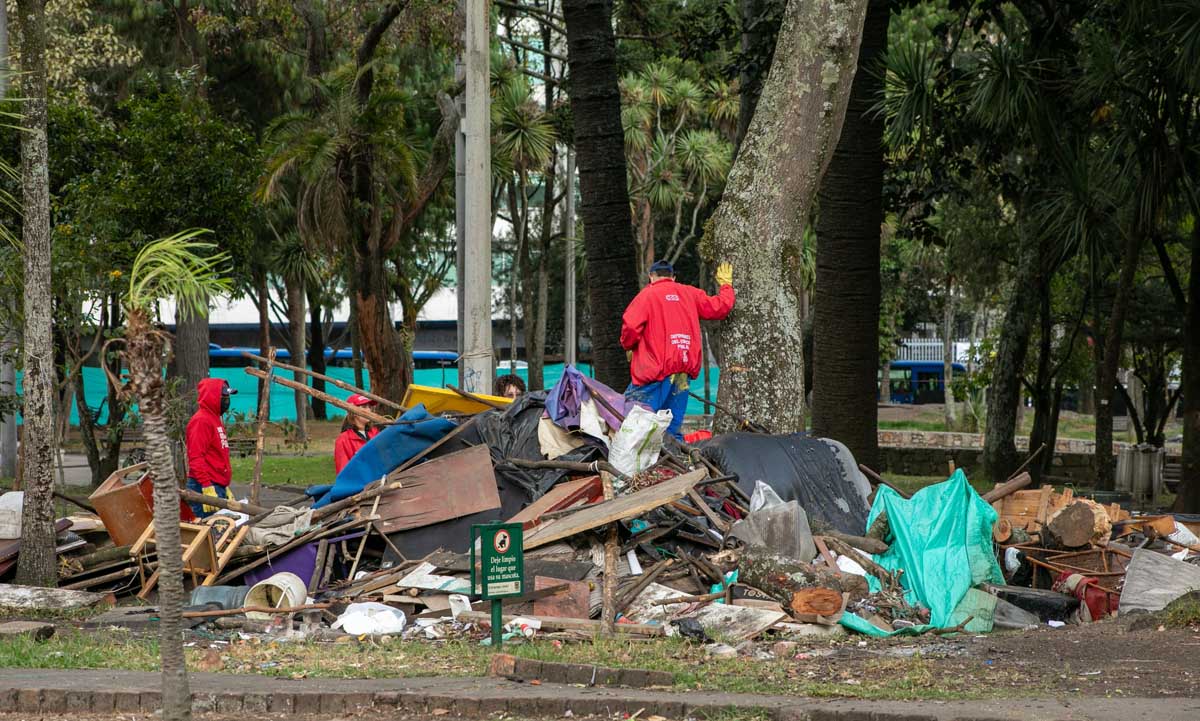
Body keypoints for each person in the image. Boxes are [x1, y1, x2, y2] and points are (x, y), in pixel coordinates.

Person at [620, 260, 735, 440]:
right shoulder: (689, 293)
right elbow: (720, 307)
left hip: (655, 370)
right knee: (671, 427)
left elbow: (631, 327)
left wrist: (629, 345)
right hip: (683, 371)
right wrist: (726, 286)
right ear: (673, 277)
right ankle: (672, 462)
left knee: (630, 420)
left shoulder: (646, 295)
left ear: (652, 277)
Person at [185, 378, 235, 518]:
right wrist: (207, 486)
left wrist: (225, 487)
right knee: (209, 534)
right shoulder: (201, 421)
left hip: (216, 486)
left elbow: (216, 457)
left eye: (228, 396)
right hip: (203, 487)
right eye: (223, 396)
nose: (227, 400)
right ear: (211, 396)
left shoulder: (214, 419)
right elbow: (195, 457)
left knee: (219, 532)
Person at [334, 394, 381, 474]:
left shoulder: (375, 433)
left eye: (369, 407)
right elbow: (343, 473)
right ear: (354, 412)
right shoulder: (343, 440)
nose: (369, 410)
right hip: (360, 484)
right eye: (364, 407)